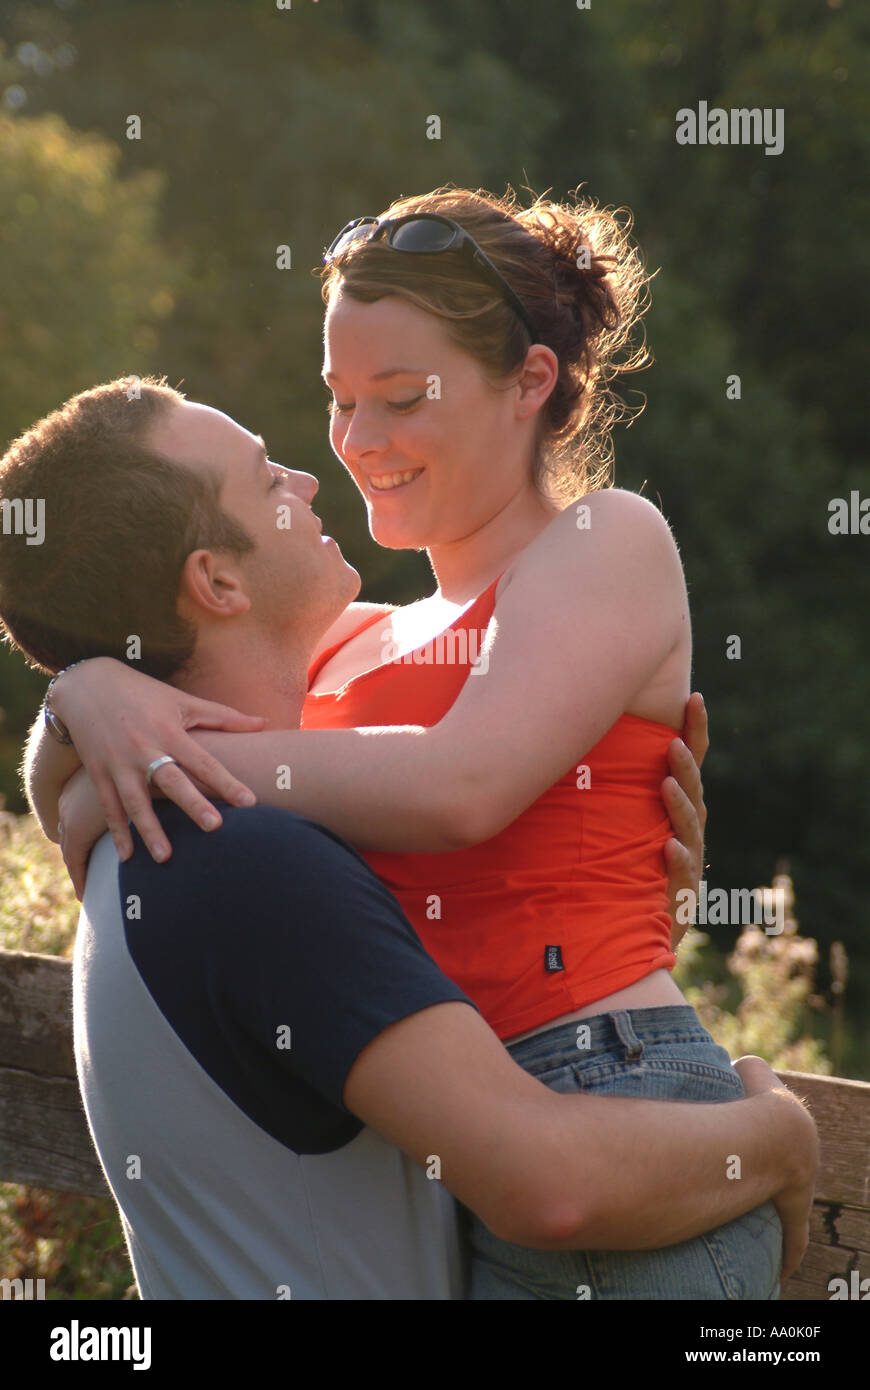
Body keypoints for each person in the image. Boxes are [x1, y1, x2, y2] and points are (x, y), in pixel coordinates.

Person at [18, 188, 799, 1298]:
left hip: (623, 1111)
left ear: (530, 382)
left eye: (399, 399)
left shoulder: (606, 542)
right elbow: (121, 732)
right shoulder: (354, 639)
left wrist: (153, 754)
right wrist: (88, 694)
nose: (356, 442)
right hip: (478, 1138)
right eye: (338, 401)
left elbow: (460, 789)